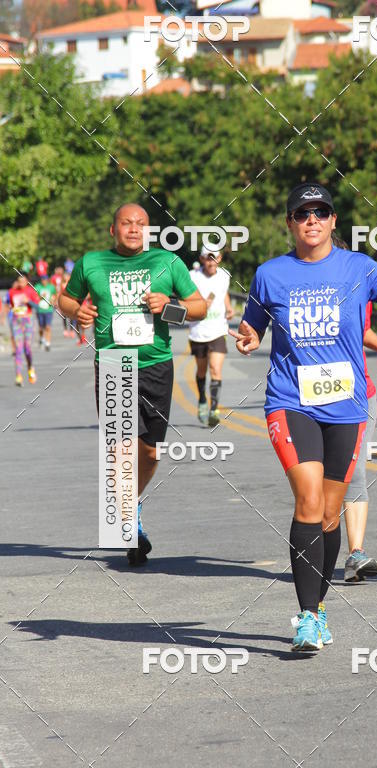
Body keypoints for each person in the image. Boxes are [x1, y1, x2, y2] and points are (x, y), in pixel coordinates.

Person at [231, 182, 377, 651]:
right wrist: (247, 339)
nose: (312, 220)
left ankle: (319, 607)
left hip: (346, 406)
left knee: (328, 512)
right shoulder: (269, 274)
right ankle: (304, 616)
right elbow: (252, 331)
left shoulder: (360, 268)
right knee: (307, 500)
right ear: (290, 223)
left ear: (334, 221)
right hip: (290, 401)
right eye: (303, 213)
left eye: (321, 212)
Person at [58, 203, 210, 566]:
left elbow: (199, 308)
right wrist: (74, 311)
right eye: (126, 223)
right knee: (122, 449)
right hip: (113, 364)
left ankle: (131, 503)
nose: (133, 228)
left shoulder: (166, 262)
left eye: (141, 224)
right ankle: (129, 521)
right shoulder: (91, 263)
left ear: (149, 230)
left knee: (151, 452)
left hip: (157, 364)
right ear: (113, 229)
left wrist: (170, 305)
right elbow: (66, 298)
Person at [343, 299, 377, 581]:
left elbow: (362, 329)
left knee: (355, 473)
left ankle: (355, 554)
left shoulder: (357, 281)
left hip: (360, 394)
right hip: (310, 399)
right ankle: (315, 553)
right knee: (321, 480)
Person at [188, 247, 233, 426]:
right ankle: (201, 400)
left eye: (214, 258)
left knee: (215, 369)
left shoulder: (224, 276)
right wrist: (198, 304)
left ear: (219, 259)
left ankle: (214, 408)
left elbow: (223, 294)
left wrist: (229, 308)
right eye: (208, 258)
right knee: (201, 370)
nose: (211, 262)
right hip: (198, 331)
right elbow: (184, 298)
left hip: (218, 330)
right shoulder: (192, 276)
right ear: (202, 259)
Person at [8, 276, 39, 386]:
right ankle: (18, 376)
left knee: (27, 348)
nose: (21, 283)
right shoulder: (12, 292)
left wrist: (28, 301)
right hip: (17, 321)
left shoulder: (30, 291)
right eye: (19, 281)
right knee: (18, 349)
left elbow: (38, 307)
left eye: (23, 281)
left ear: (26, 282)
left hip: (28, 321)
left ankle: (30, 368)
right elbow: (9, 305)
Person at [35, 274, 56, 350]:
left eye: (45, 280)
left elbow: (54, 295)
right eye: (43, 280)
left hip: (49, 309)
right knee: (41, 327)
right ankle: (41, 338)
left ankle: (48, 343)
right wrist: (40, 296)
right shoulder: (38, 287)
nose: (44, 281)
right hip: (40, 309)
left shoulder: (51, 287)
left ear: (47, 280)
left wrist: (53, 301)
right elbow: (34, 297)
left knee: (48, 327)